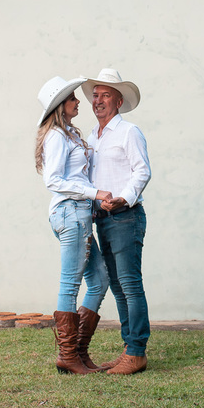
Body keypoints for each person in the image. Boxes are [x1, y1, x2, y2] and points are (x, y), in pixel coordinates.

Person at [35, 75, 112, 375]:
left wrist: (95, 201)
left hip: (79, 212)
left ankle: (78, 352)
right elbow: (53, 180)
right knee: (70, 285)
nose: (79, 101)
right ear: (60, 106)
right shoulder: (56, 135)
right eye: (72, 99)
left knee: (100, 278)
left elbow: (76, 177)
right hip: (70, 213)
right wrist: (95, 194)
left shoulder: (68, 134)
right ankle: (68, 356)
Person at [83, 68, 152, 375]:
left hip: (125, 217)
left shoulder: (129, 132)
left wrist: (124, 197)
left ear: (119, 101)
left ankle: (137, 351)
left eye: (105, 95)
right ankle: (129, 349)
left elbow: (142, 171)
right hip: (102, 219)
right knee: (119, 288)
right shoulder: (91, 137)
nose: (98, 101)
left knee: (130, 284)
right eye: (95, 95)